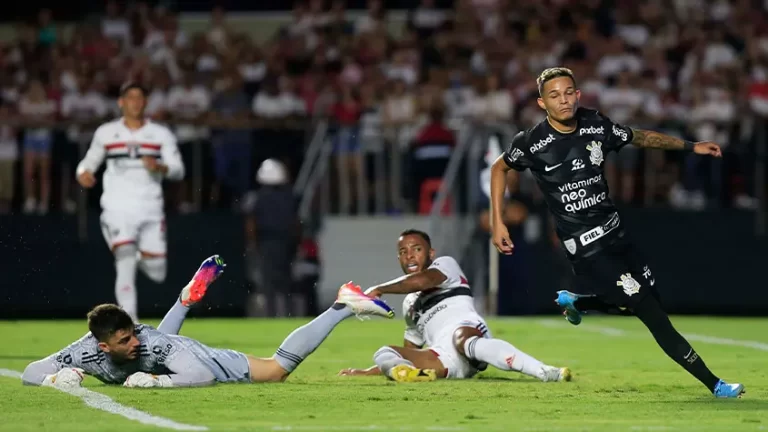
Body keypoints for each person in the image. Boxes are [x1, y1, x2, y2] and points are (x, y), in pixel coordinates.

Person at [488, 67, 744, 398]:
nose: (563, 100)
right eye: (554, 95)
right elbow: (499, 167)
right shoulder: (533, 142)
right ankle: (716, 385)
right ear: (542, 103)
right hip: (586, 250)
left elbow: (637, 136)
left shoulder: (596, 124)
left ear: (578, 95)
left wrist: (690, 146)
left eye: (568, 92)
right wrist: (498, 220)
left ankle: (580, 303)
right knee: (652, 314)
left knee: (642, 299)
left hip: (617, 235)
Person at [21, 255, 394, 388]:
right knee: (152, 347)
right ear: (101, 346)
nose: (131, 341)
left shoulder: (154, 345)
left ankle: (342, 305)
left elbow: (202, 376)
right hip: (161, 348)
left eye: (132, 333)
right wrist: (56, 377)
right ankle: (186, 297)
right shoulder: (84, 352)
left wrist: (156, 382)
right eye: (124, 341)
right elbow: (30, 372)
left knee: (276, 370)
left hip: (195, 357)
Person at [339, 229, 571, 383]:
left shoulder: (445, 265)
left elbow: (423, 281)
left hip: (469, 333)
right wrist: (371, 370)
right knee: (384, 352)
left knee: (463, 338)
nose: (410, 256)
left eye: (416, 249)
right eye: (403, 252)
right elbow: (411, 348)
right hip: (444, 359)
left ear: (430, 253)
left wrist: (379, 289)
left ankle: (545, 372)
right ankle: (418, 376)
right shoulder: (409, 304)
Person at [76, 82, 184, 322]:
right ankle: (131, 323)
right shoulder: (106, 132)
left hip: (150, 208)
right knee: (124, 258)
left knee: (157, 271)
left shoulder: (160, 134)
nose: (135, 102)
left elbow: (177, 169)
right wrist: (83, 173)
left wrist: (160, 166)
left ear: (145, 102)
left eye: (139, 98)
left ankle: (131, 253)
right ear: (121, 102)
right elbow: (88, 162)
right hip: (117, 206)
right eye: (130, 98)